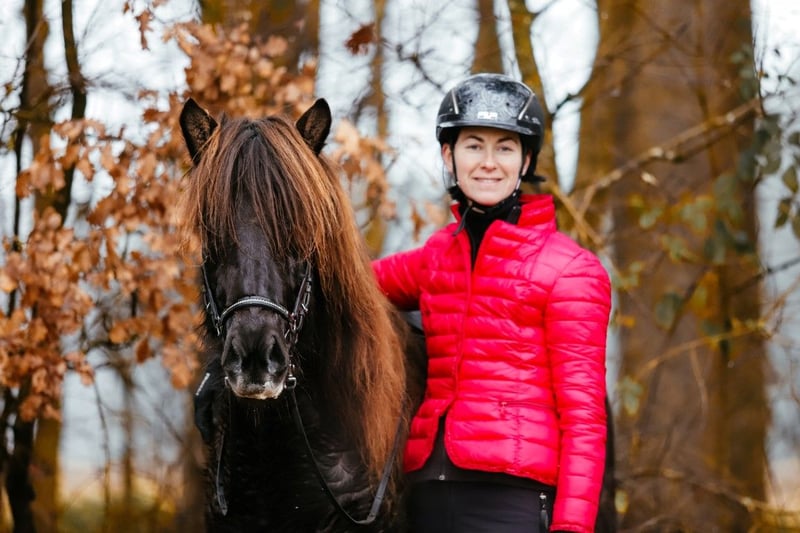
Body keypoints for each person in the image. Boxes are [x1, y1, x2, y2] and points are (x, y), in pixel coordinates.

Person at [372, 73, 612, 533]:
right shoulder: (435, 257)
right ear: (449, 156)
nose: (488, 163)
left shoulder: (572, 270)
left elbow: (584, 418)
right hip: (427, 495)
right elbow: (351, 284)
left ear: (525, 161)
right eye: (473, 146)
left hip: (513, 500)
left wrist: (572, 527)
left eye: (504, 148)